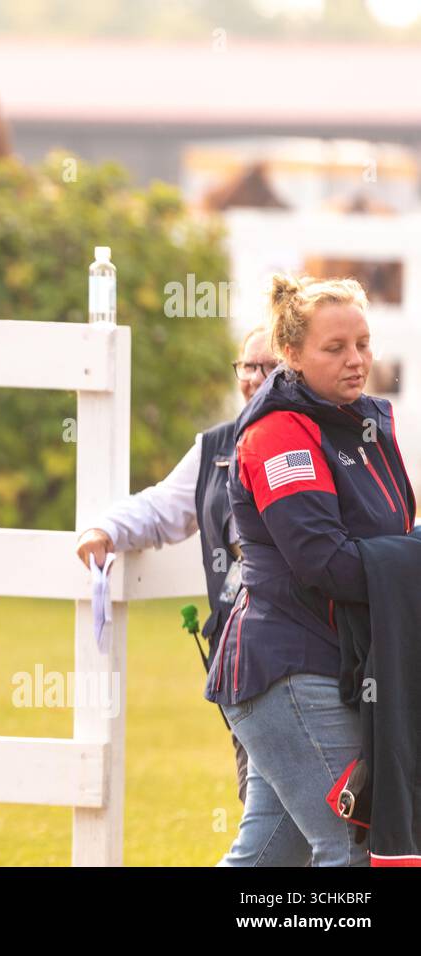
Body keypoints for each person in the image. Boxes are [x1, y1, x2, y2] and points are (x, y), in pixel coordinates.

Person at [211, 274, 414, 866]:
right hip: (289, 672)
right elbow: (324, 562)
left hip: (331, 668)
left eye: (363, 344)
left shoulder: (364, 424)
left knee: (269, 856)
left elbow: (391, 538)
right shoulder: (278, 435)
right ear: (292, 355)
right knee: (351, 849)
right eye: (335, 348)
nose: (356, 361)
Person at [75, 325, 276, 805]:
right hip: (241, 658)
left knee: (293, 824)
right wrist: (104, 530)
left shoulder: (318, 440)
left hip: (308, 659)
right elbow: (161, 507)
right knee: (263, 807)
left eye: (269, 367)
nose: (254, 378)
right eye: (247, 365)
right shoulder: (217, 447)